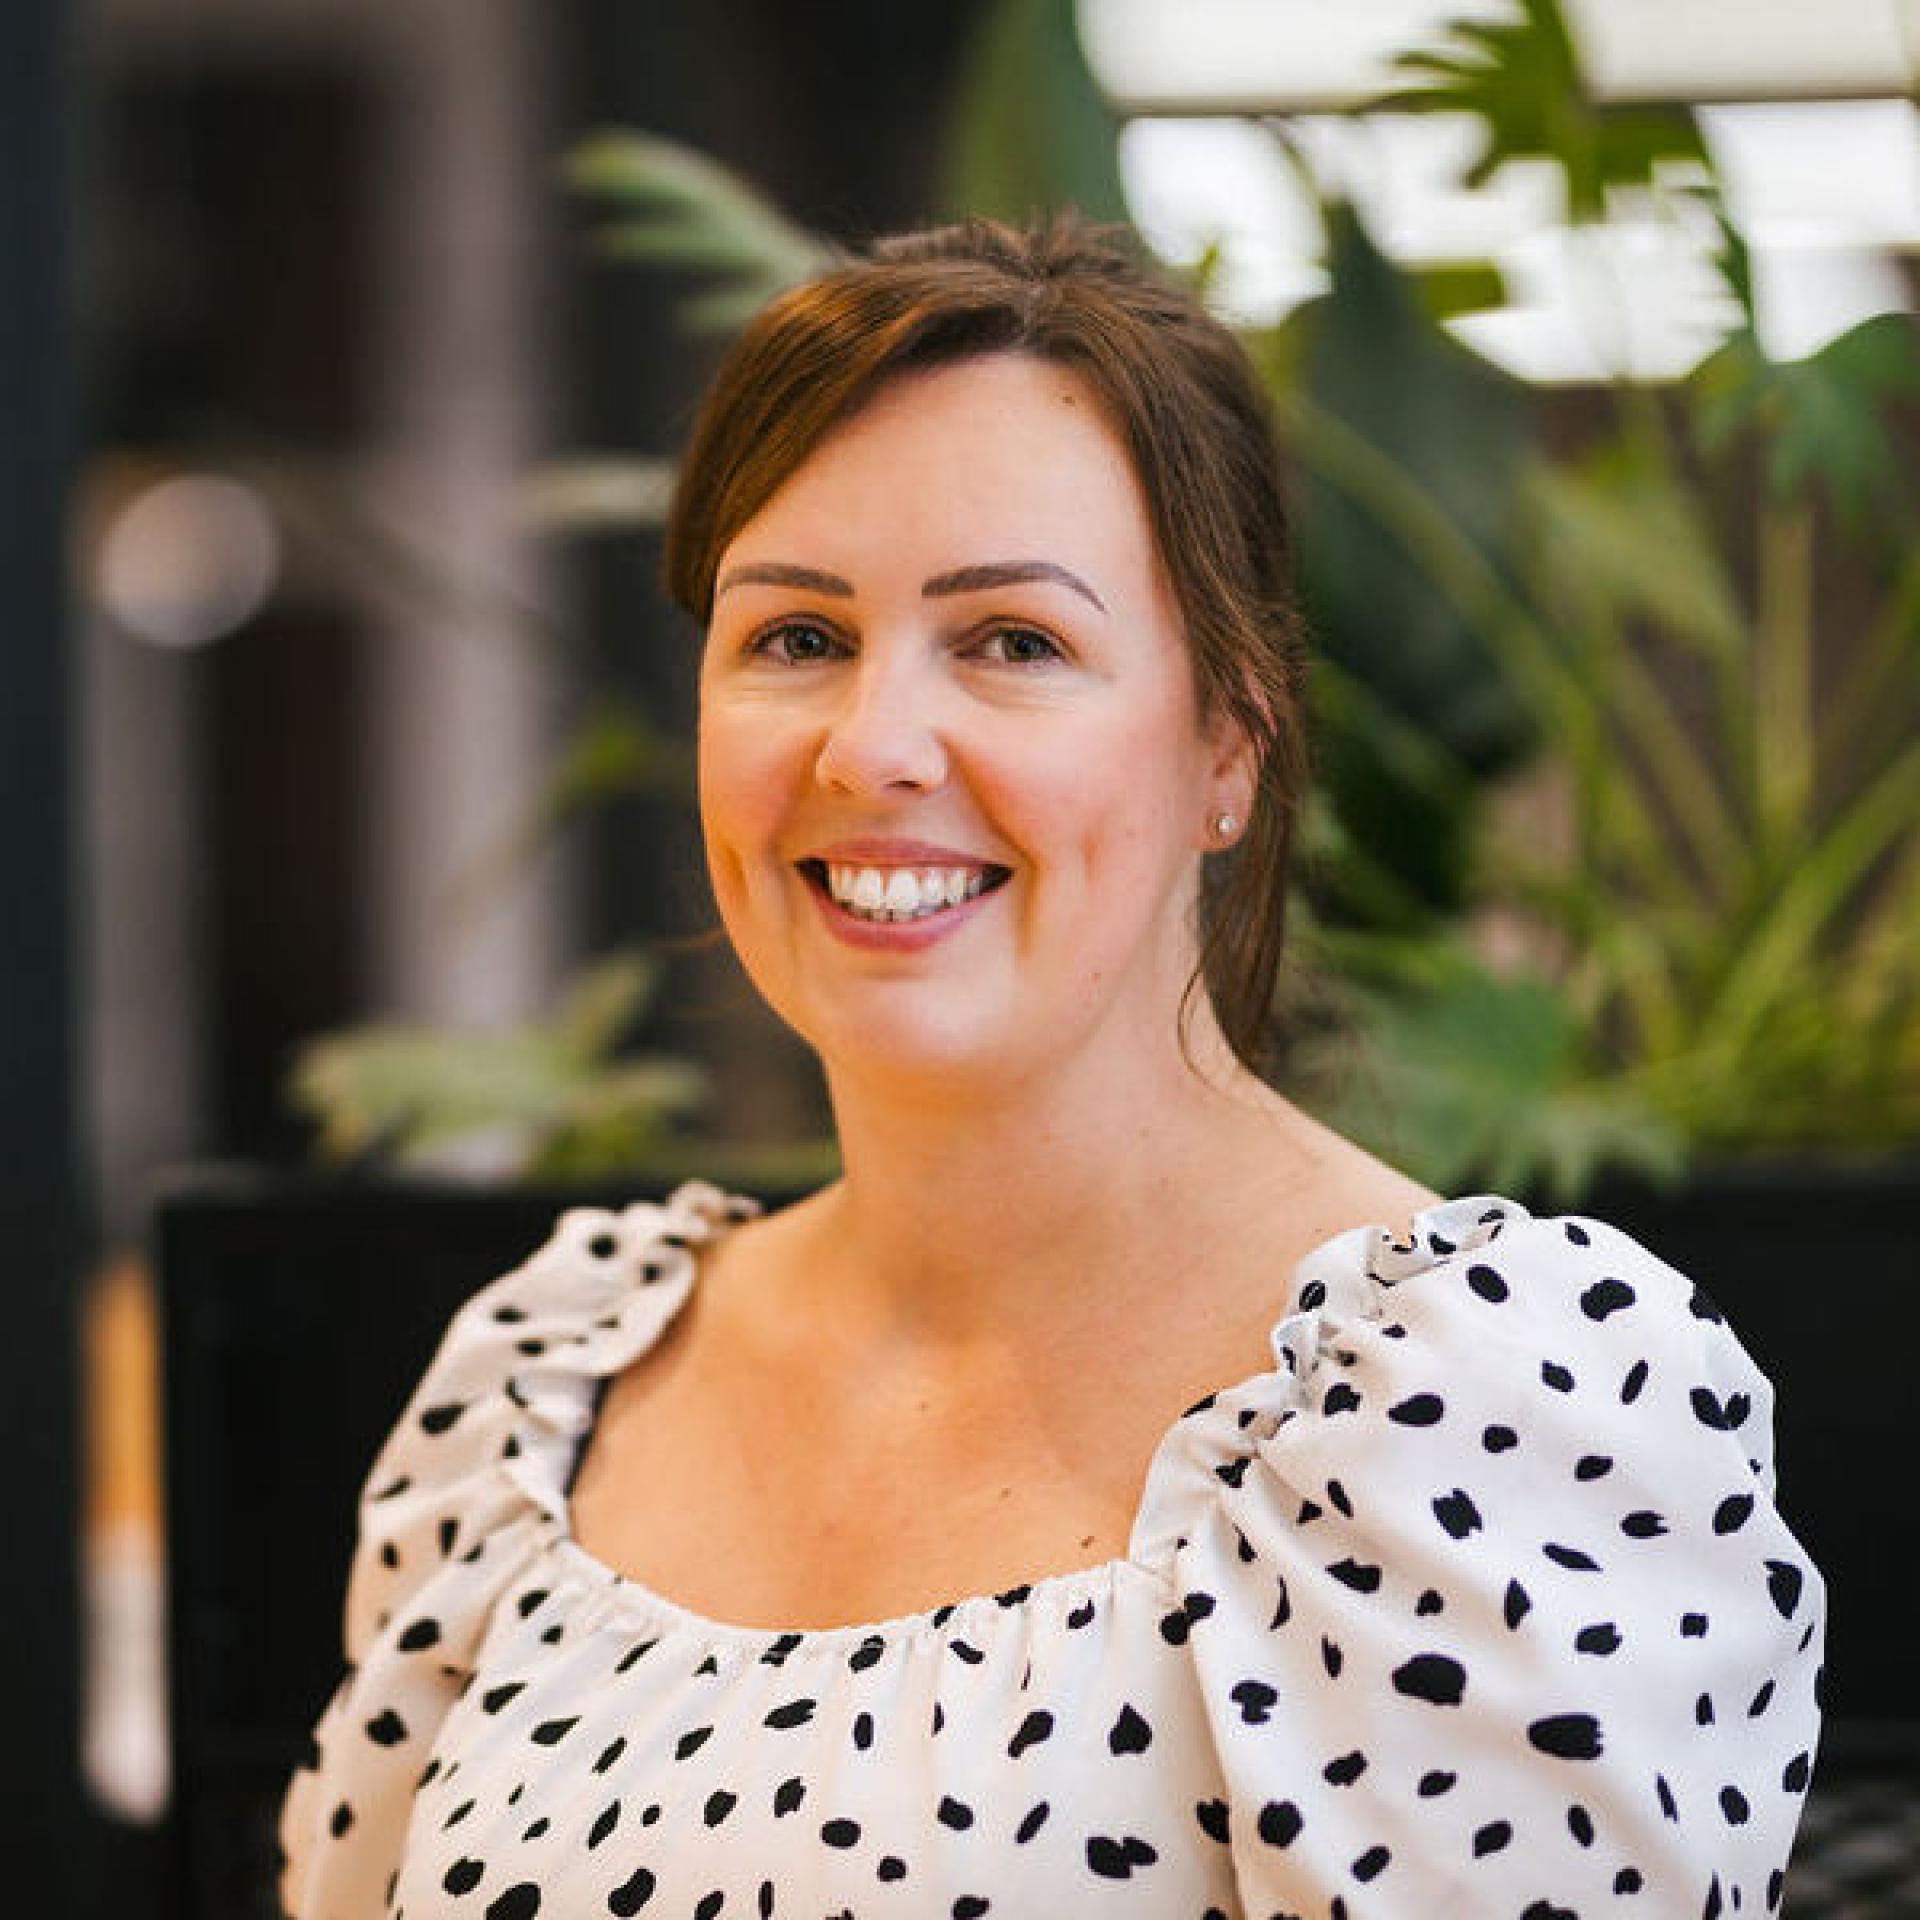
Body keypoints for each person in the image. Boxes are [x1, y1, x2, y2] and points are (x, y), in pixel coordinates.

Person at [280, 214, 1822, 1918]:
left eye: (1013, 641)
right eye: (795, 638)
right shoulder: (546, 1387)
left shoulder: (1480, 1414)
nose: (872, 748)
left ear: (1228, 745)